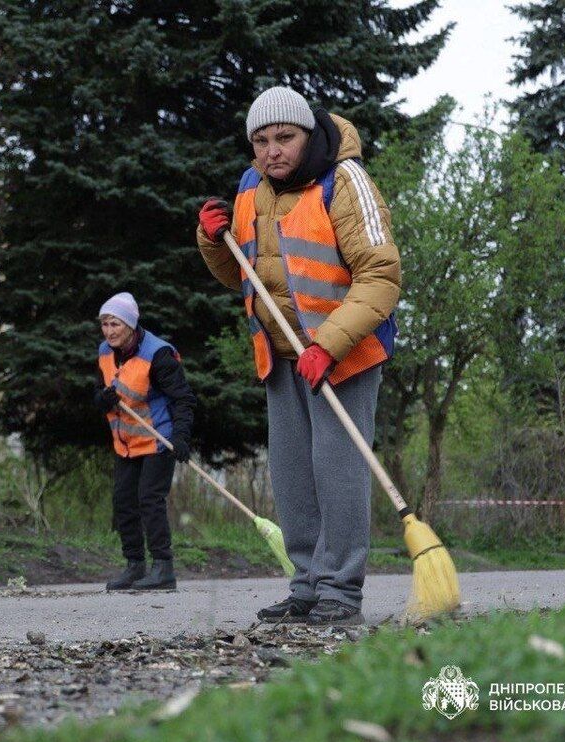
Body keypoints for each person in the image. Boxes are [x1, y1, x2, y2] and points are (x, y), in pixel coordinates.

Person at [195, 86, 400, 625]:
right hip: (282, 355)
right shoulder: (250, 188)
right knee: (292, 477)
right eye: (261, 141)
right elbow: (244, 275)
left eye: (284, 137)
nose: (272, 151)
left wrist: (328, 344)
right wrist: (213, 241)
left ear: (307, 135)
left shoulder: (345, 180)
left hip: (345, 354)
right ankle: (306, 586)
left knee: (338, 472)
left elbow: (381, 276)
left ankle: (340, 591)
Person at [94, 292, 196, 591]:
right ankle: (135, 565)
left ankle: (163, 568)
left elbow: (182, 399)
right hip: (125, 442)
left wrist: (181, 436)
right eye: (105, 324)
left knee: (149, 500)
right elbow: (100, 390)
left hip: (157, 440)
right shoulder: (104, 352)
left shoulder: (158, 354)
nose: (109, 331)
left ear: (130, 324)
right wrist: (102, 399)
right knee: (123, 502)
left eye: (115, 324)